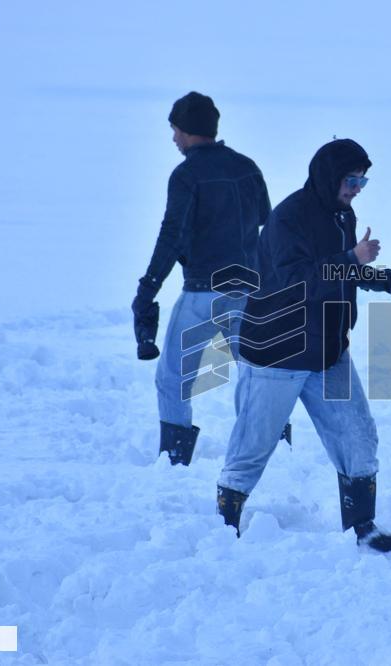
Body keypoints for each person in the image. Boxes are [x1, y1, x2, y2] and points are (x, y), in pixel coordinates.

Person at [216, 138, 391, 553]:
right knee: (254, 444)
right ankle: (222, 527)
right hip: (276, 353)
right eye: (351, 180)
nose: (357, 188)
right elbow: (295, 281)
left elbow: (337, 274)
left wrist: (385, 280)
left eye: (362, 181)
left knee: (358, 437)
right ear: (329, 177)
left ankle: (363, 527)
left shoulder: (341, 214)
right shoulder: (288, 218)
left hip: (327, 352)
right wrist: (352, 259)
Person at [131, 91, 271, 466]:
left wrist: (148, 288)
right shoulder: (247, 167)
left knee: (172, 379)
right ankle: (274, 451)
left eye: (175, 130)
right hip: (249, 292)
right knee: (259, 377)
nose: (173, 138)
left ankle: (174, 462)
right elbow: (265, 220)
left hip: (203, 293)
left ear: (189, 130)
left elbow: (171, 235)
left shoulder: (186, 175)